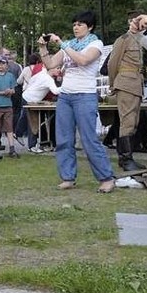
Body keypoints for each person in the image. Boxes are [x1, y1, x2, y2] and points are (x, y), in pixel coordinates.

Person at [38, 10, 116, 193]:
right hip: (65, 96)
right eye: (74, 24)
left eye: (80, 24)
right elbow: (50, 65)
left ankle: (106, 178)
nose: (76, 27)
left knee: (89, 139)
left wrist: (61, 43)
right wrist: (43, 48)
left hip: (85, 96)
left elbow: (82, 60)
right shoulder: (70, 45)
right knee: (64, 139)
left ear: (90, 27)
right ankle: (67, 178)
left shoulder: (96, 43)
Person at [107, 17, 147, 171]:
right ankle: (126, 159)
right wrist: (113, 83)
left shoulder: (139, 40)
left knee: (133, 122)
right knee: (128, 121)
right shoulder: (123, 39)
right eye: (134, 21)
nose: (137, 25)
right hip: (126, 83)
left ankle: (127, 158)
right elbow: (113, 63)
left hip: (135, 84)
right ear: (130, 22)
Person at [22, 67, 61, 153]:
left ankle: (43, 144)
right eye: (57, 68)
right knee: (33, 122)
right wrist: (69, 87)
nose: (59, 70)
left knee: (38, 121)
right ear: (51, 69)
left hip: (31, 98)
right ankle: (31, 145)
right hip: (30, 100)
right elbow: (55, 91)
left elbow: (31, 80)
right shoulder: (48, 79)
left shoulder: (42, 72)